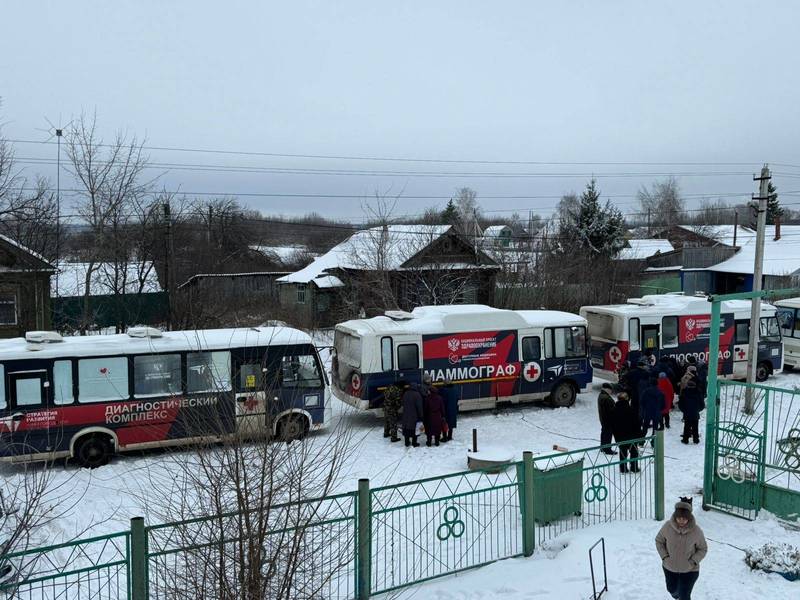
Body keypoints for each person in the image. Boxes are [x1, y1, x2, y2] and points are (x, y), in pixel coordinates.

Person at [655, 498, 707, 600]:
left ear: (689, 518)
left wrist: (692, 561)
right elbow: (659, 541)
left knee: (684, 596)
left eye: (684, 518)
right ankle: (676, 595)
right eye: (679, 518)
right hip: (669, 568)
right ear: (675, 517)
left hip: (690, 571)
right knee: (672, 590)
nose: (681, 521)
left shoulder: (696, 531)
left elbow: (703, 548)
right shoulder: (667, 527)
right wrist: (665, 557)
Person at [611, 392, 640, 473]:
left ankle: (623, 468)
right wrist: (639, 435)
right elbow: (636, 423)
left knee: (622, 452)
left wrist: (615, 435)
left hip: (620, 436)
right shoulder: (631, 409)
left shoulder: (614, 410)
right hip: (631, 435)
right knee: (634, 451)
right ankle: (634, 467)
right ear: (627, 399)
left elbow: (612, 424)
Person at [679, 379, 704, 444]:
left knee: (686, 426)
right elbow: (702, 404)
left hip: (687, 413)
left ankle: (685, 439)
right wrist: (698, 410)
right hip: (695, 413)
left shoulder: (684, 392)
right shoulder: (698, 392)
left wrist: (684, 410)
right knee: (695, 427)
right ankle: (696, 439)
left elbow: (680, 404)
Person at [401, 383, 423, 447]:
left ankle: (407, 442)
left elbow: (402, 403)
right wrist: (421, 415)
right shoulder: (417, 394)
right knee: (415, 429)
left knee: (406, 428)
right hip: (414, 415)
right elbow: (419, 407)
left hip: (406, 414)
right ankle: (414, 443)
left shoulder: (405, 393)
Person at [597, 383, 616, 454]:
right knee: (608, 434)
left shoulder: (601, 395)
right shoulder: (606, 398)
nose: (611, 392)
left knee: (604, 433)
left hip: (603, 418)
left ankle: (603, 447)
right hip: (608, 419)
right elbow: (611, 410)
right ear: (607, 389)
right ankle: (607, 449)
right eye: (611, 390)